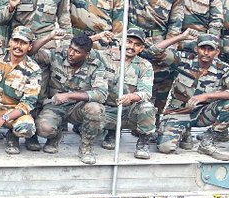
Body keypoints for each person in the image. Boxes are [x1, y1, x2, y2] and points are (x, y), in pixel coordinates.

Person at [34, 33, 110, 165]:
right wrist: (49, 37)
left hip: (78, 108)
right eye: (70, 48)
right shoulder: (58, 55)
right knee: (43, 129)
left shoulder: (96, 66)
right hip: (55, 105)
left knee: (95, 108)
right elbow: (31, 52)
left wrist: (69, 95)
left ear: (86, 54)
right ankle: (55, 135)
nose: (71, 53)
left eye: (77, 52)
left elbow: (101, 94)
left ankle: (86, 148)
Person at [157, 33, 229, 159]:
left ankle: (207, 141)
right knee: (166, 147)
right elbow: (154, 51)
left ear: (217, 52)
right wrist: (181, 37)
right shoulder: (183, 60)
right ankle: (185, 132)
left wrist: (207, 96)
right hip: (178, 113)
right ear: (196, 49)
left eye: (210, 49)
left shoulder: (222, 69)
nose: (206, 53)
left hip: (202, 114)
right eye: (202, 48)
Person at [101, 28, 156, 160]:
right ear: (121, 41)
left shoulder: (144, 66)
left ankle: (143, 143)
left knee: (147, 107)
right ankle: (112, 132)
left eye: (137, 45)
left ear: (141, 49)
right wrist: (98, 37)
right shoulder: (105, 57)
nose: (131, 47)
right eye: (129, 42)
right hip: (106, 109)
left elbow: (146, 92)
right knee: (90, 109)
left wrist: (131, 97)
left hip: (128, 112)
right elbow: (83, 50)